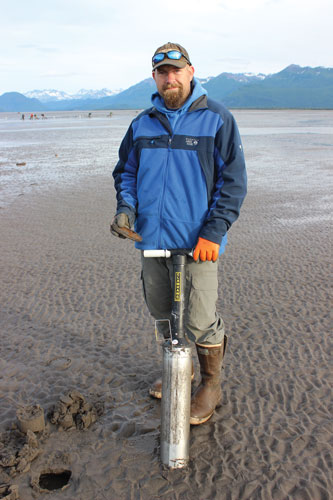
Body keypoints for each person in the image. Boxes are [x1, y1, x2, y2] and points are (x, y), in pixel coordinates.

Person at [111, 42, 247, 425]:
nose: (170, 78)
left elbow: (233, 182)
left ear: (190, 72)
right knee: (161, 310)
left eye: (176, 70)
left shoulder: (217, 119)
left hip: (198, 240)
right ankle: (181, 368)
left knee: (200, 317)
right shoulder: (142, 124)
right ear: (154, 76)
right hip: (152, 238)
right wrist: (126, 209)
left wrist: (214, 231)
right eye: (162, 72)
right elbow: (126, 173)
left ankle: (211, 384)